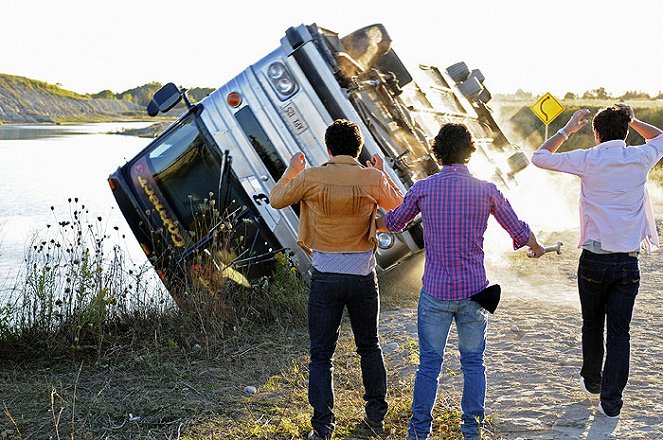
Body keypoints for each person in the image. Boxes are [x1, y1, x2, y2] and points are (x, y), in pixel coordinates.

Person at [380, 123, 544, 440]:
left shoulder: (423, 188)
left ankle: (418, 433)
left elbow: (395, 222)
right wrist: (535, 246)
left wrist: (376, 217)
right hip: (473, 292)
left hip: (436, 294)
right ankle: (471, 430)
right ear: (469, 152)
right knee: (473, 364)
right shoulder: (487, 190)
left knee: (429, 365)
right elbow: (519, 231)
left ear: (438, 151)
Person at [270, 119, 404, 439]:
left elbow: (276, 199)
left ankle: (323, 428)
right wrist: (382, 173)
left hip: (326, 278)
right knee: (369, 348)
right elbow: (401, 208)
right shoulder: (371, 177)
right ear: (358, 149)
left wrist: (291, 169)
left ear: (327, 148)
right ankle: (375, 418)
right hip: (362, 277)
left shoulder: (311, 176)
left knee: (321, 354)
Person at [530, 104, 663, 418]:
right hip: (628, 264)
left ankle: (593, 381)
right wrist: (634, 118)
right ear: (627, 130)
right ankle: (612, 402)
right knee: (620, 331)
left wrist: (566, 130)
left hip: (593, 261)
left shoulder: (588, 159)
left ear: (596, 133)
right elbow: (660, 137)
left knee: (592, 324)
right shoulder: (640, 157)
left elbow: (539, 157)